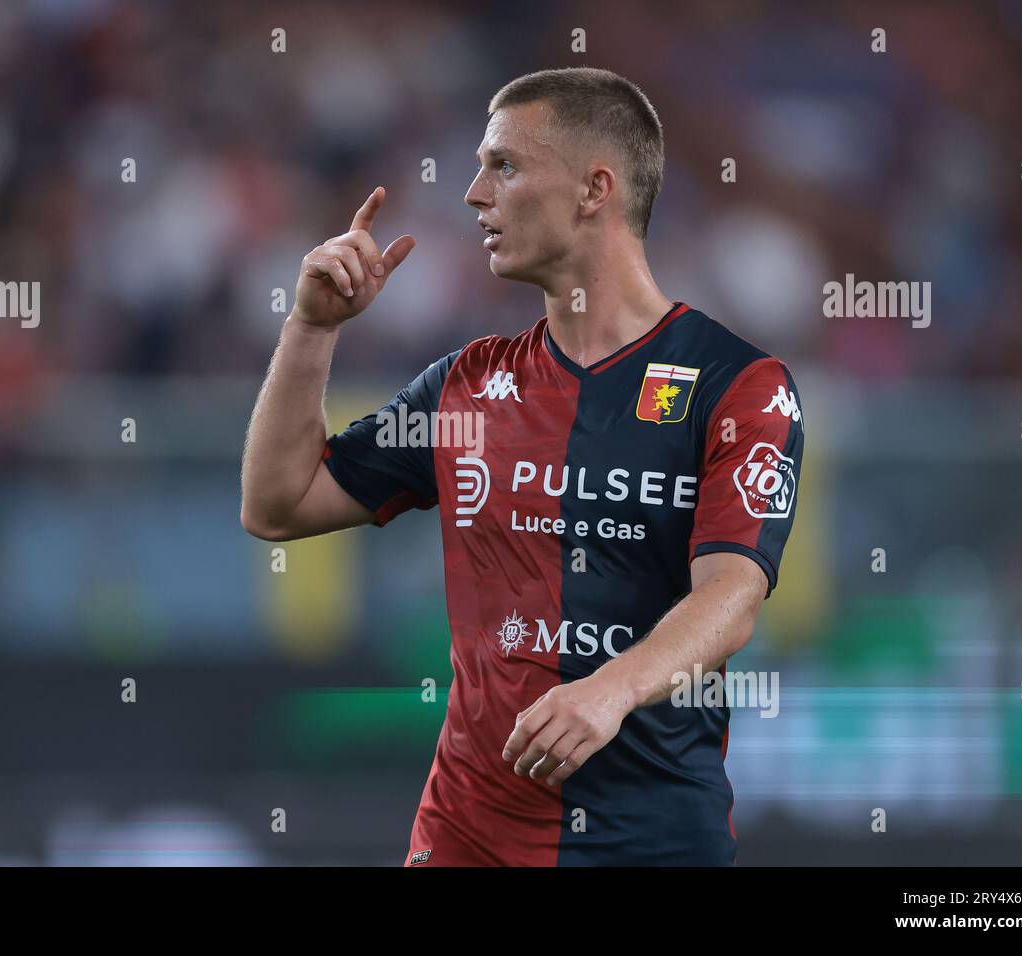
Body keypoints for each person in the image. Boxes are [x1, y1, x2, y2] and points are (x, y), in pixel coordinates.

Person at [241, 66, 804, 865]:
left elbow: (732, 596)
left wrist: (611, 687)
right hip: (467, 833)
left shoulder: (739, 386)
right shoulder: (467, 385)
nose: (474, 193)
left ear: (593, 189)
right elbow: (277, 504)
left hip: (650, 838)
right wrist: (310, 328)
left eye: (503, 165)